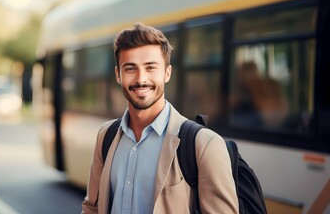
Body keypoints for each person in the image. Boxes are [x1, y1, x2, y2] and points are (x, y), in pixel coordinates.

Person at [81, 23, 239, 214]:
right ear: (118, 75)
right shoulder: (105, 136)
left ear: (167, 73)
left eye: (150, 68)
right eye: (130, 68)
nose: (141, 79)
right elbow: (91, 207)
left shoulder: (205, 144)